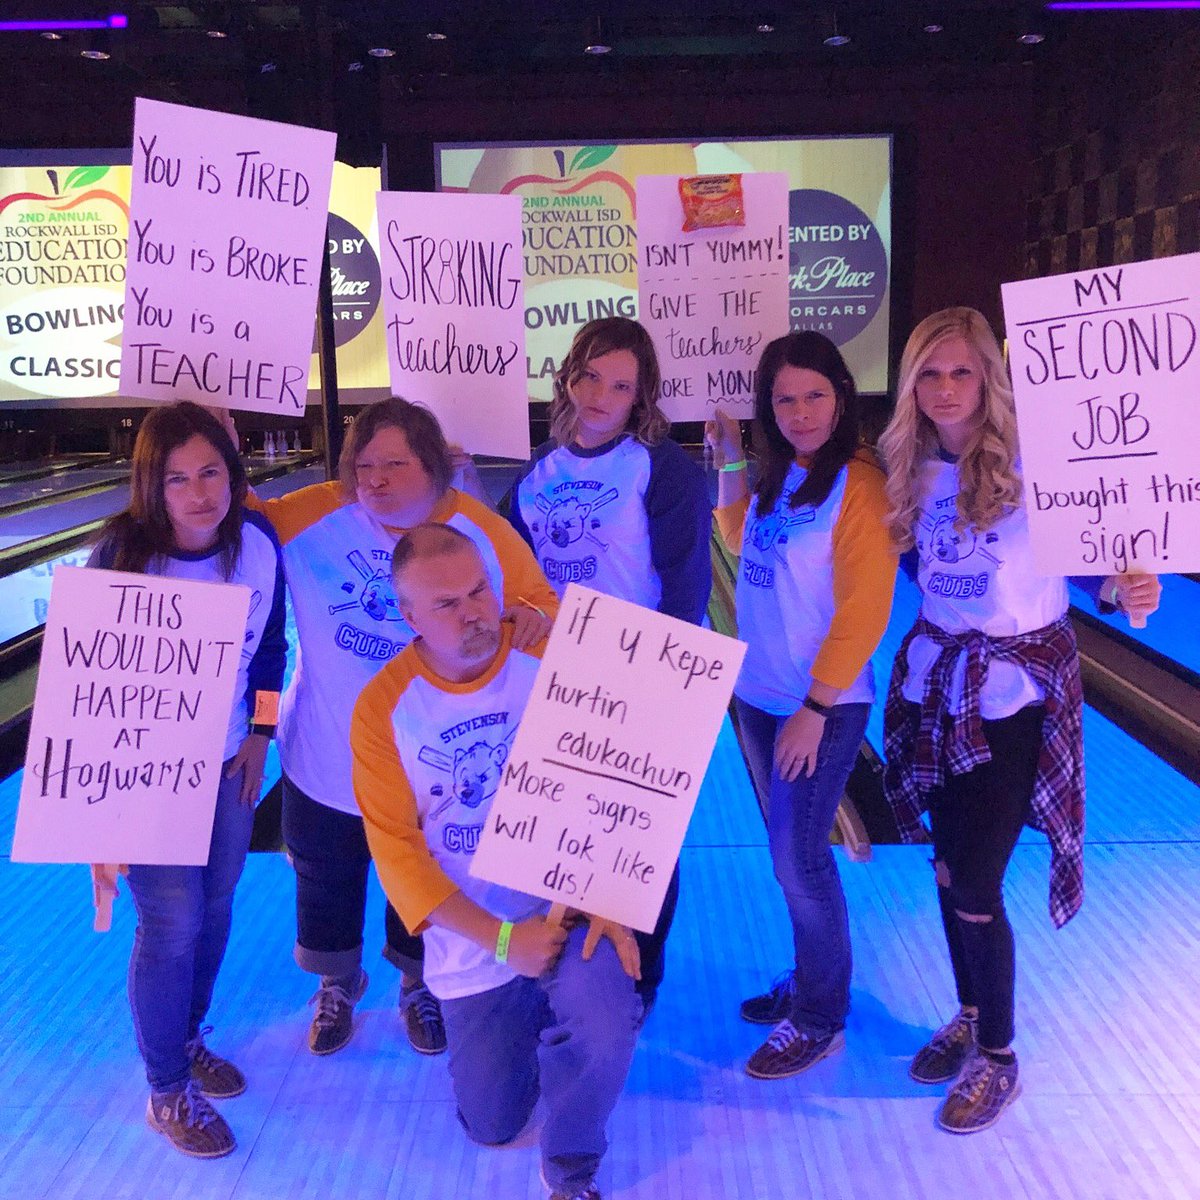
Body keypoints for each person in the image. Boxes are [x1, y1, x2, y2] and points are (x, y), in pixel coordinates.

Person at [877, 306, 1161, 1133]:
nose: (944, 389)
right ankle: (969, 1011)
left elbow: (1095, 569)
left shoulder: (1040, 468)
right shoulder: (910, 468)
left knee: (975, 880)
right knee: (944, 867)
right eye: (928, 374)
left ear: (989, 379)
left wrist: (1123, 587)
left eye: (961, 371)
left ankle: (999, 1056)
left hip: (1011, 697)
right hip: (938, 689)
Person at [244, 398, 557, 1057]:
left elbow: (540, 603)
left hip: (431, 762)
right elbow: (240, 525)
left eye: (394, 463)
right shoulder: (318, 511)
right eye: (363, 465)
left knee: (422, 872)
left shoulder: (475, 527)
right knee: (325, 881)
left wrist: (529, 617)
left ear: (434, 467)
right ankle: (336, 984)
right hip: (323, 757)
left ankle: (417, 987)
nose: (374, 479)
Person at [351, 524, 640, 1200]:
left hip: (566, 913)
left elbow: (630, 747)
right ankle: (543, 1030)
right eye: (446, 604)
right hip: (479, 939)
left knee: (604, 1020)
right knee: (493, 1123)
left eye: (479, 590)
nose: (473, 612)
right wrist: (505, 941)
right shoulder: (382, 710)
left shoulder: (548, 655)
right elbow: (398, 860)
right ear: (409, 616)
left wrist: (608, 894)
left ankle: (570, 1173)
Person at [89, 402, 286, 1159]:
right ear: (153, 486)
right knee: (170, 923)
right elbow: (86, 688)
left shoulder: (257, 541)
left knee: (215, 904)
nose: (200, 491)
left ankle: (190, 1035)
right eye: (178, 478)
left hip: (229, 766)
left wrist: (260, 735)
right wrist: (97, 820)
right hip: (145, 777)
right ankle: (167, 1087)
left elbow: (269, 650)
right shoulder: (123, 555)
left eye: (211, 472)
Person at [705, 332, 897, 1080]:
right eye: (784, 398)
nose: (800, 410)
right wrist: (726, 456)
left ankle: (820, 1016)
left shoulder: (860, 484)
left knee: (799, 857)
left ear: (842, 395)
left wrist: (815, 706)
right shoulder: (785, 474)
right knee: (791, 857)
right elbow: (736, 536)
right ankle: (810, 977)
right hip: (758, 696)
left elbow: (865, 608)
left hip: (818, 704)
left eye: (814, 394)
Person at [509, 316, 711, 1013]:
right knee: (564, 838)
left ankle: (639, 981)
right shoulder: (539, 473)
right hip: (554, 684)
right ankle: (571, 970)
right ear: (568, 377)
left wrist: (671, 696)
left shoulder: (660, 469)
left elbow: (686, 586)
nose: (600, 394)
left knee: (639, 845)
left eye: (620, 384)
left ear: (639, 397)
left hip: (639, 681)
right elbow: (509, 576)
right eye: (590, 375)